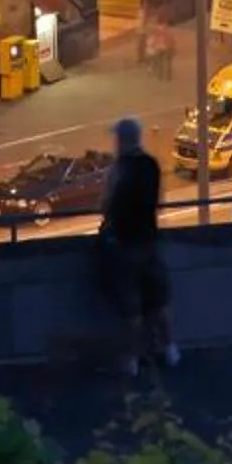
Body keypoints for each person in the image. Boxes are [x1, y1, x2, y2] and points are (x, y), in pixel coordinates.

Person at [95, 116, 175, 371]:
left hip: (125, 242)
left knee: (132, 307)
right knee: (157, 301)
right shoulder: (151, 165)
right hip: (149, 239)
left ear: (122, 140)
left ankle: (132, 360)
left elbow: (107, 205)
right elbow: (158, 202)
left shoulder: (119, 169)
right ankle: (171, 350)